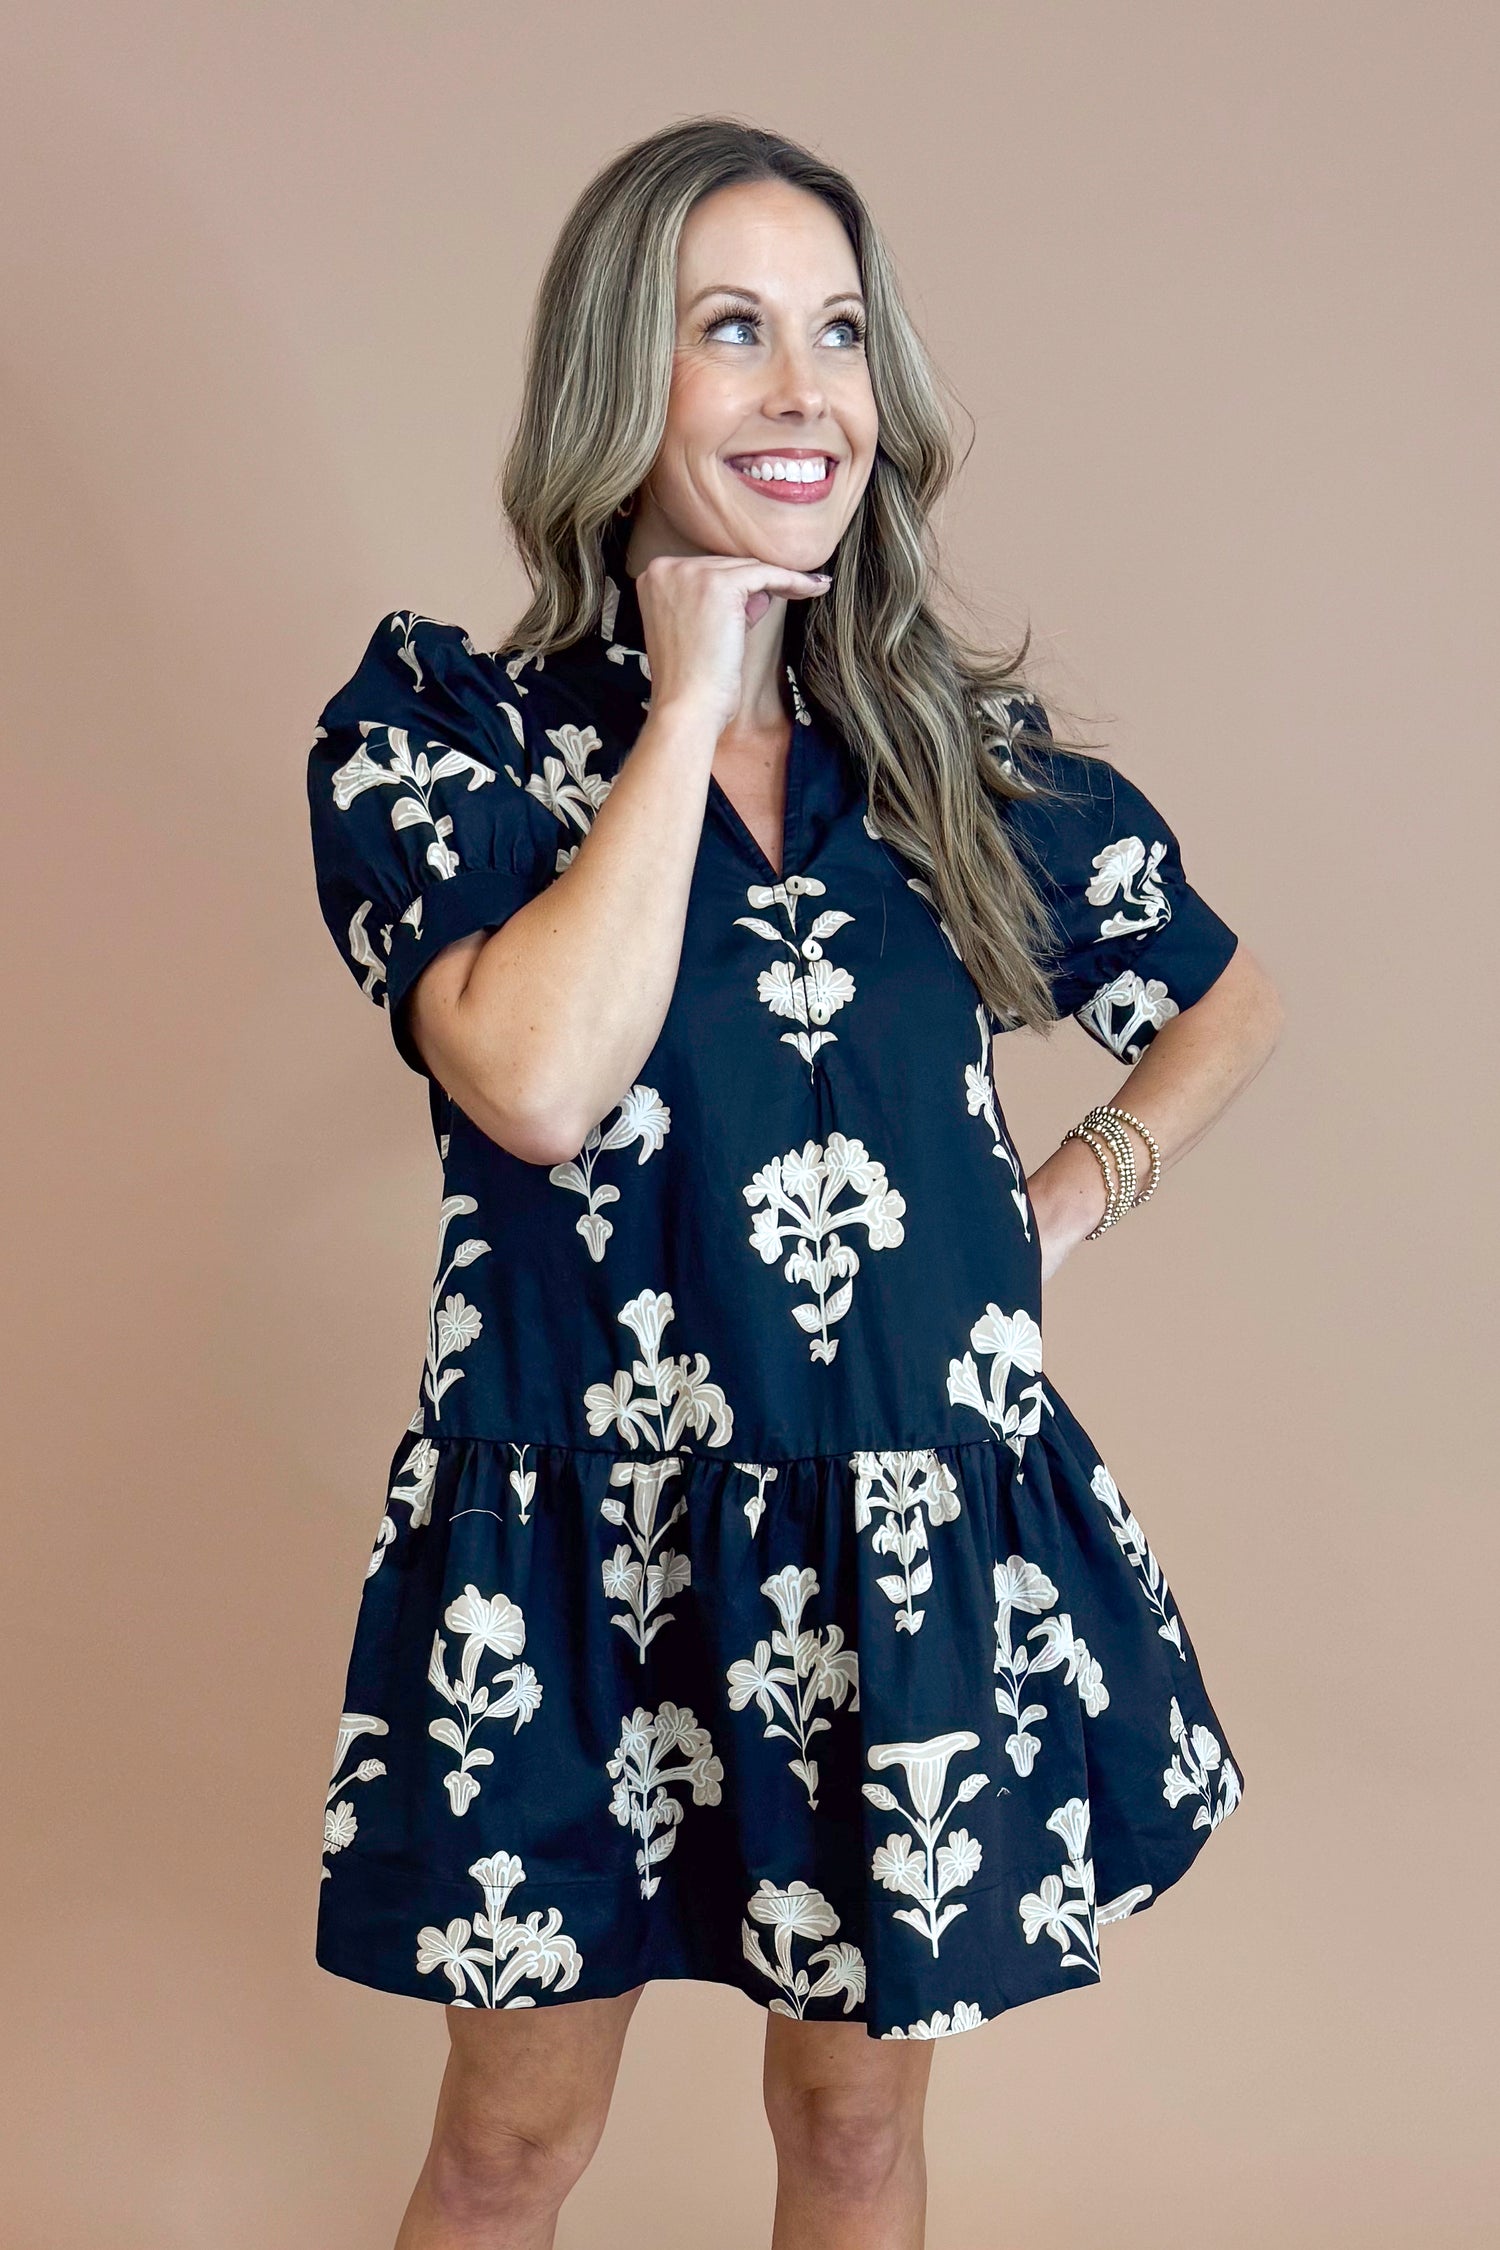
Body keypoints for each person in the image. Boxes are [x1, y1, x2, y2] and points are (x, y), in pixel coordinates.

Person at [306, 116, 1283, 2250]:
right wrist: (689, 703)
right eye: (727, 329)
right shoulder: (441, 739)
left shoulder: (946, 770)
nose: (799, 388)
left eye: (836, 334)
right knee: (508, 2153)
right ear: (612, 385)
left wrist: (1071, 1193)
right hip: (576, 1557)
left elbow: (1220, 997)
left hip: (886, 1558)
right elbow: (537, 1082)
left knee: (853, 2144)